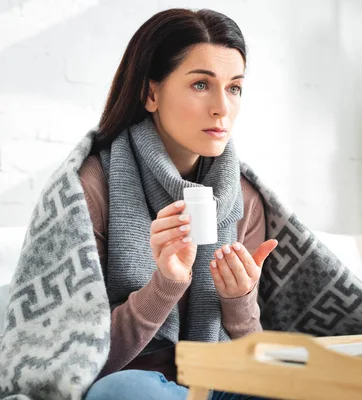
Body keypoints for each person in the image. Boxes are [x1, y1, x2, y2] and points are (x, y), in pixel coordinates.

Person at [82, 8, 276, 400]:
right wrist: (164, 284)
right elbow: (78, 361)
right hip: (138, 383)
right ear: (150, 93)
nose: (222, 106)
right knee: (123, 392)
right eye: (201, 85)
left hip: (222, 380)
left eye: (234, 87)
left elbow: (259, 365)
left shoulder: (246, 196)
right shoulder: (93, 186)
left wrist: (240, 304)